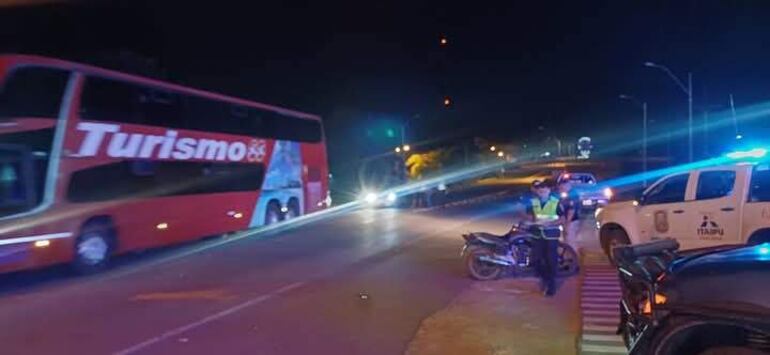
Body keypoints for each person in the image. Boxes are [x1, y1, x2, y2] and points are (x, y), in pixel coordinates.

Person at [525, 180, 562, 297]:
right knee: (535, 261)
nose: (542, 192)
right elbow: (530, 218)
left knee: (551, 262)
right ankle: (545, 279)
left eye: (544, 190)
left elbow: (563, 219)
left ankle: (551, 286)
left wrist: (550, 224)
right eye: (540, 190)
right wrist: (528, 223)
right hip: (537, 235)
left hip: (551, 236)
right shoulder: (533, 203)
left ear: (549, 191)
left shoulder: (555, 202)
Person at [558, 179, 581, 253]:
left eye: (562, 187)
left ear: (567, 185)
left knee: (570, 242)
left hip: (571, 221)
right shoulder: (566, 194)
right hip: (568, 221)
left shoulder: (572, 195)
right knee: (567, 241)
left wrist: (567, 224)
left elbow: (571, 211)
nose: (560, 189)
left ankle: (574, 260)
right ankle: (570, 259)